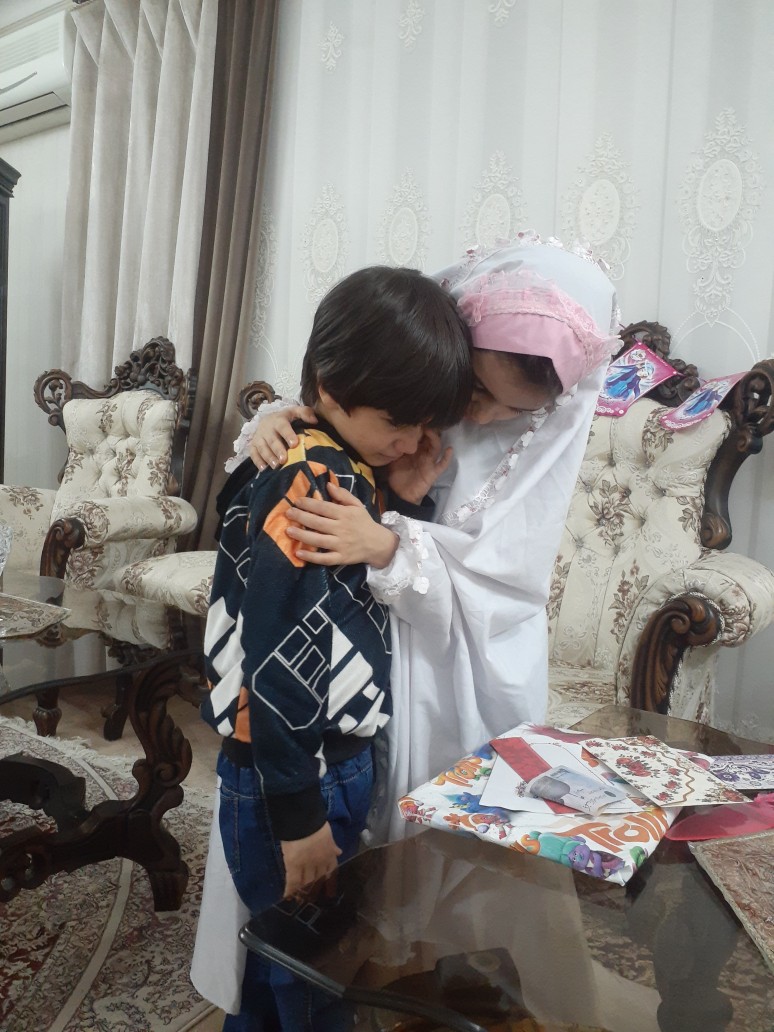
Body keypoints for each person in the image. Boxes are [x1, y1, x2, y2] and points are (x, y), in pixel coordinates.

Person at [242, 233, 620, 841]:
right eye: (475, 389)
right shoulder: (408, 396)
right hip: (355, 642)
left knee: (440, 844)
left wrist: (388, 544)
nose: (481, 416)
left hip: (465, 667)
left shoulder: (544, 451)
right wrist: (281, 423)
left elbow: (505, 589)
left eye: (515, 411)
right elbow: (338, 421)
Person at [194, 264, 473, 1030]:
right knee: (314, 980)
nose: (414, 441)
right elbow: (281, 658)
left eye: (428, 426)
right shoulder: (311, 478)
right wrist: (299, 816)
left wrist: (400, 500)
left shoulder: (333, 462)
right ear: (331, 386)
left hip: (302, 762)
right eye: (400, 423)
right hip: (298, 770)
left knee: (276, 965)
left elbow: (336, 590)